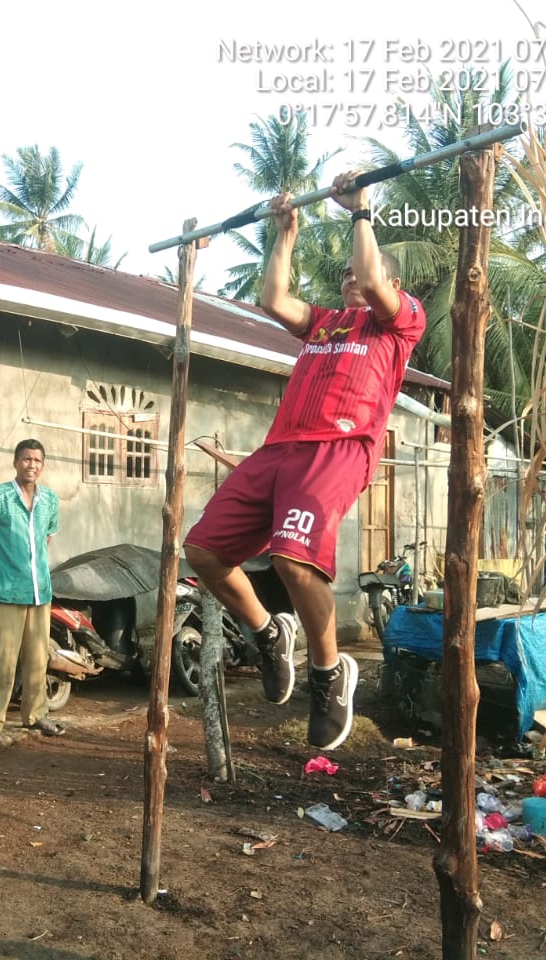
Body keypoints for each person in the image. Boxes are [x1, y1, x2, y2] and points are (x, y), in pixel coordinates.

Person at [184, 171, 427, 752]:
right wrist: (284, 232)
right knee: (204, 551)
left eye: (360, 275)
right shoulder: (326, 323)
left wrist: (360, 210)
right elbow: (273, 299)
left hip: (340, 448)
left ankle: (327, 672)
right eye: (343, 276)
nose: (351, 281)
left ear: (391, 285)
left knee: (294, 562)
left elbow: (370, 273)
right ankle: (270, 633)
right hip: (281, 448)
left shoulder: (399, 324)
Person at [0, 438, 63, 744]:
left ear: (43, 465)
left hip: (40, 591)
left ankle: (36, 714)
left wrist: (33, 569)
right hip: (7, 591)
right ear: (15, 462)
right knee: (2, 658)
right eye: (26, 459)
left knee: (38, 657)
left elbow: (46, 537)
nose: (32, 465)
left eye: (37, 460)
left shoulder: (49, 499)